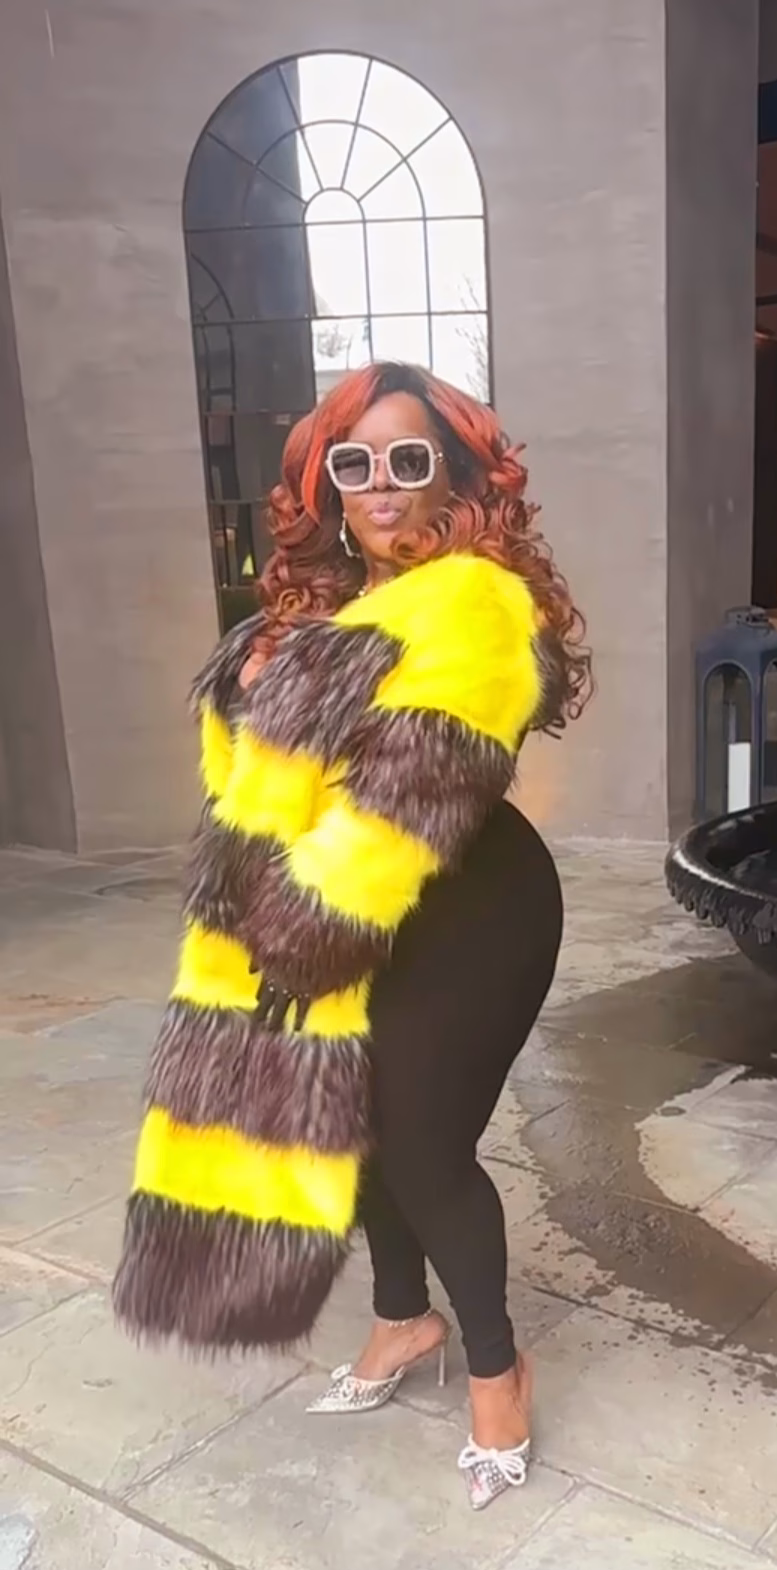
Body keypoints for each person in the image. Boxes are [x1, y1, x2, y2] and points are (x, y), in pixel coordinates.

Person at [112, 361, 590, 1510]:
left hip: (468, 909)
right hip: (332, 916)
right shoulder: (305, 621)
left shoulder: (475, 602)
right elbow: (247, 791)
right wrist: (250, 686)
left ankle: (498, 1373)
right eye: (355, 462)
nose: (381, 484)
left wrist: (299, 933)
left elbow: (401, 800)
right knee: (353, 1127)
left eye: (408, 460)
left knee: (421, 1147)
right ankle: (400, 1318)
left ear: (455, 479)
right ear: (325, 483)